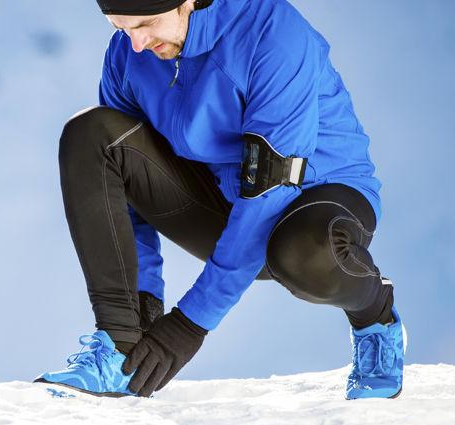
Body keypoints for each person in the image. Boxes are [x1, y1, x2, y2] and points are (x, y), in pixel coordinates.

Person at [34, 0, 406, 400]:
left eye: (146, 24)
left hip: (317, 197)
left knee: (304, 255)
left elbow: (269, 191)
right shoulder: (128, 52)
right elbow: (123, 187)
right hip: (222, 200)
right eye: (121, 27)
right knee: (93, 134)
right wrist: (141, 311)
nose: (137, 43)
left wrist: (188, 325)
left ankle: (375, 318)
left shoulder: (273, 34)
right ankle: (116, 350)